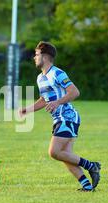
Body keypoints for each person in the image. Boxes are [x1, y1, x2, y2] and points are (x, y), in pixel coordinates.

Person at [19, 41, 101, 192]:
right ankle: (87, 186)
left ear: (45, 57)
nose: (34, 58)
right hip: (59, 119)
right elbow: (44, 100)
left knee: (54, 152)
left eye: (36, 55)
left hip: (68, 117)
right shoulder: (40, 78)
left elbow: (75, 92)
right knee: (65, 155)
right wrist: (28, 110)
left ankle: (91, 166)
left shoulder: (57, 73)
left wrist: (57, 102)